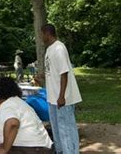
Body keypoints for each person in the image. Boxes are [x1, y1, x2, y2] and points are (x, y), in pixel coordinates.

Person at [42, 24, 82, 154]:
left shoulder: (59, 48)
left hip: (62, 98)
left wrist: (61, 96)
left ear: (47, 34)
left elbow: (64, 73)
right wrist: (41, 78)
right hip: (52, 98)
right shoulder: (49, 50)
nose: (41, 37)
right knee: (57, 128)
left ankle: (71, 151)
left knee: (66, 129)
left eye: (42, 34)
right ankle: (61, 151)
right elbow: (53, 72)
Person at [0, 77, 52, 154]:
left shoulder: (8, 104)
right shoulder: (17, 101)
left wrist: (4, 148)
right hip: (40, 147)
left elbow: (12, 123)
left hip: (32, 148)